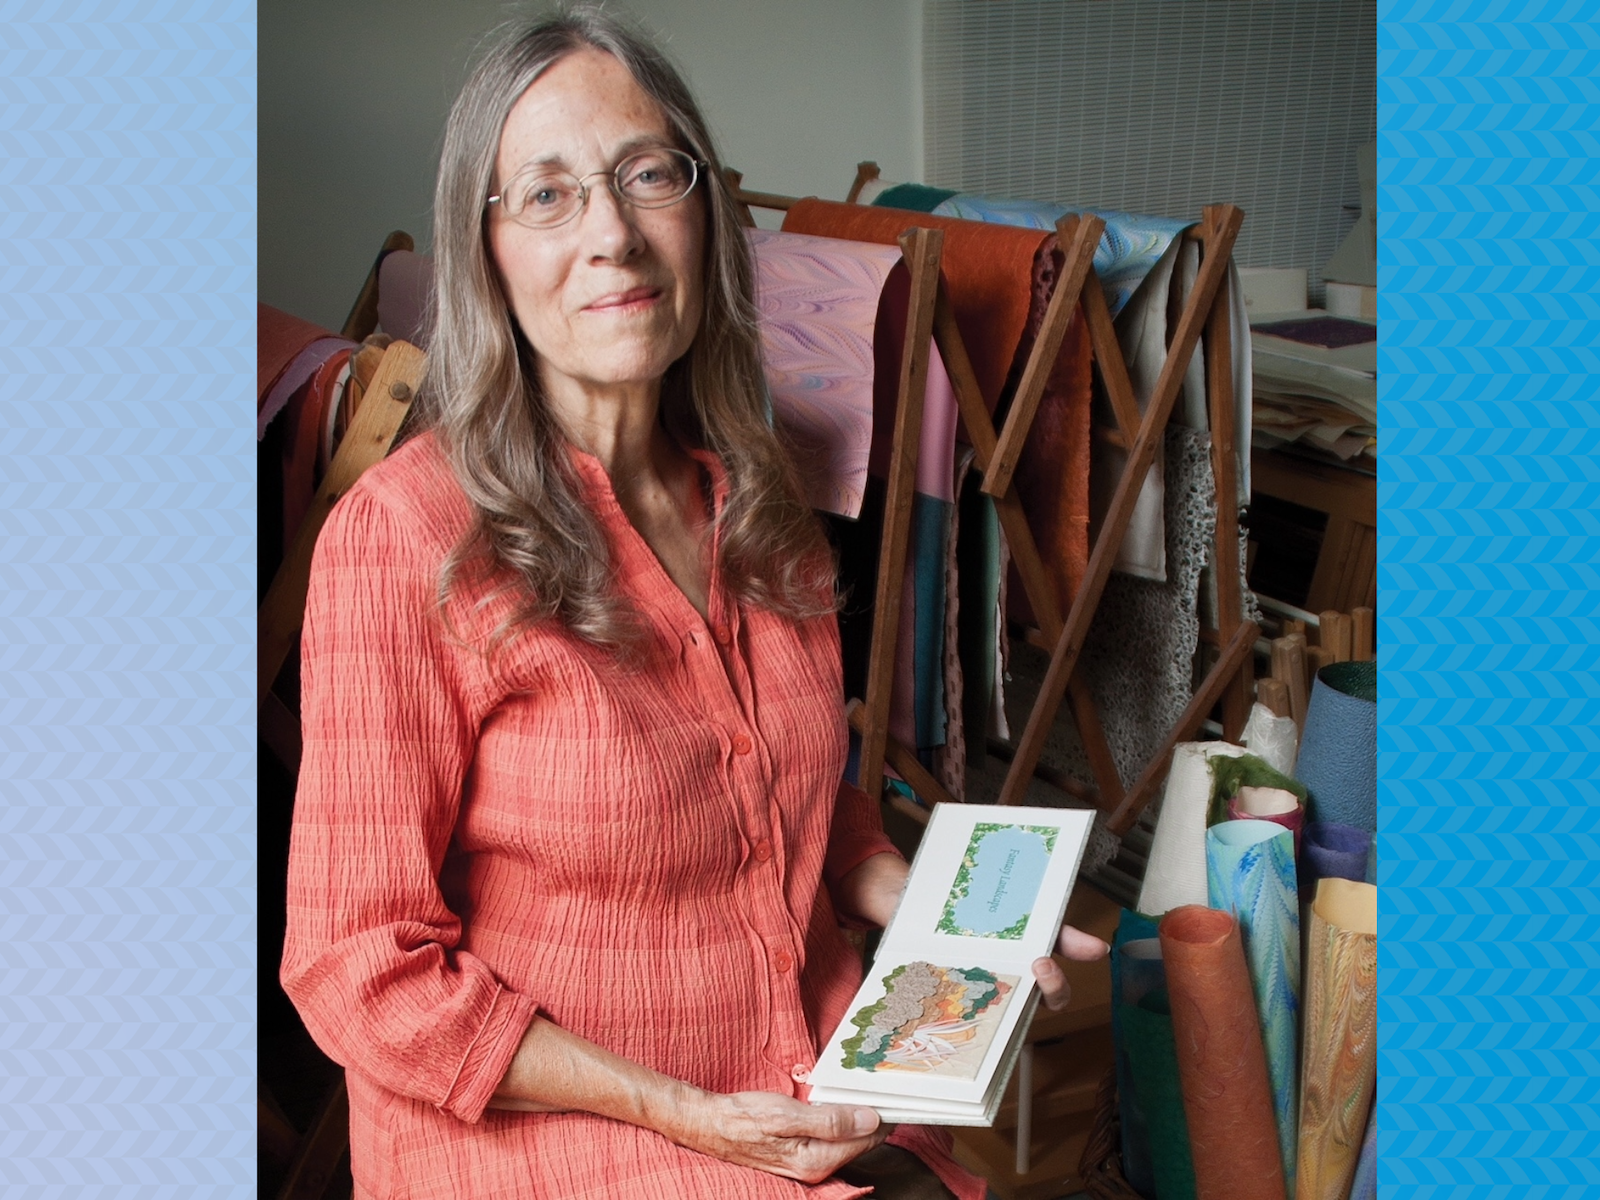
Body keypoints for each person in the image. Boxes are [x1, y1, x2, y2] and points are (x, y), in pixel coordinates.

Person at [280, 8, 1107, 1198]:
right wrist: (685, 1115)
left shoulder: (757, 496)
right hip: (566, 1146)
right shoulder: (409, 538)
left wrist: (931, 906)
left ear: (705, 210)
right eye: (549, 195)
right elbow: (356, 964)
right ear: (486, 250)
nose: (612, 234)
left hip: (810, 1094)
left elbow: (790, 796)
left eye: (645, 174)